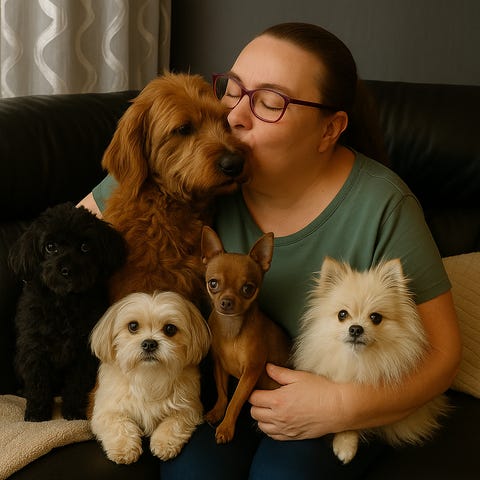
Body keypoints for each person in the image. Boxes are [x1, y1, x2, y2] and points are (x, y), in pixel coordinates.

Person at [79, 22, 461, 479]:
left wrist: (341, 404)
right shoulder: (193, 174)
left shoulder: (382, 204)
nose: (236, 116)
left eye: (269, 102)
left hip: (336, 397)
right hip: (227, 386)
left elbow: (443, 356)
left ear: (330, 129)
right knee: (192, 473)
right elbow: (66, 234)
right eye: (233, 90)